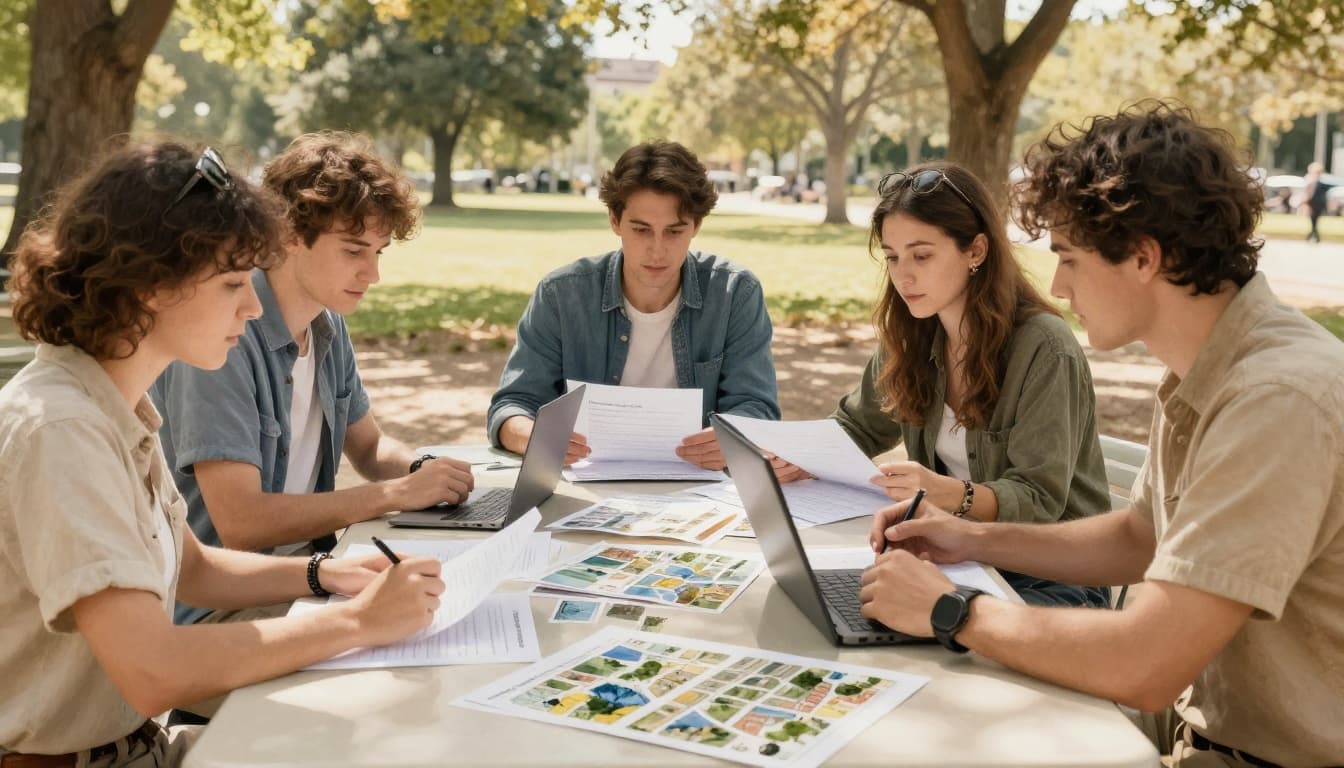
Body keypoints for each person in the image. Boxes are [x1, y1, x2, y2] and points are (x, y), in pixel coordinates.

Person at [859, 102, 1344, 766]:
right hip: (1193, 734)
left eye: (1069, 258)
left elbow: (1148, 663)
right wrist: (968, 537)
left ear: (1143, 256)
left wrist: (953, 612)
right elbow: (1139, 536)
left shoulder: (1275, 397)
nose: (1056, 285)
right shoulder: (1205, 367)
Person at [0, 141, 443, 767]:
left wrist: (327, 575)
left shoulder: (114, 405)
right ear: (154, 284)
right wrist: (358, 622)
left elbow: (196, 566)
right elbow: (153, 670)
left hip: (137, 747)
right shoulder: (63, 429)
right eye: (235, 282)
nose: (254, 304)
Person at [150, 132, 472, 627]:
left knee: (453, 608)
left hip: (311, 572)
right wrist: (395, 495)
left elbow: (368, 447)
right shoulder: (223, 332)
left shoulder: (325, 323)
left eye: (379, 253)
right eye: (353, 251)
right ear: (288, 235)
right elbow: (241, 522)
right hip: (223, 608)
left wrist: (427, 472)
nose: (372, 274)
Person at [822, 161, 1110, 608]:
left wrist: (942, 493)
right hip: (958, 560)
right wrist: (789, 455)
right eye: (893, 256)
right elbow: (857, 426)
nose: (903, 276)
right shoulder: (912, 332)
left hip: (1052, 577)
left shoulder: (1043, 347)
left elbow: (1038, 500)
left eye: (922, 255)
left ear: (975, 251)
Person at [488, 140, 779, 471]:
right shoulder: (560, 294)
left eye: (674, 231)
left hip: (701, 488)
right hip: (585, 483)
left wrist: (735, 437)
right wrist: (533, 436)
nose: (657, 251)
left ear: (696, 225)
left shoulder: (735, 293)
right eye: (641, 230)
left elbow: (757, 406)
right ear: (615, 221)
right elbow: (513, 405)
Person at [1303, 161, 1331, 243]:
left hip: (1318, 204)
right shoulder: (1310, 180)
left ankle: (1313, 235)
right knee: (1313, 220)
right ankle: (1314, 235)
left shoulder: (1321, 182)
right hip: (1312, 203)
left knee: (1315, 220)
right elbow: (1307, 193)